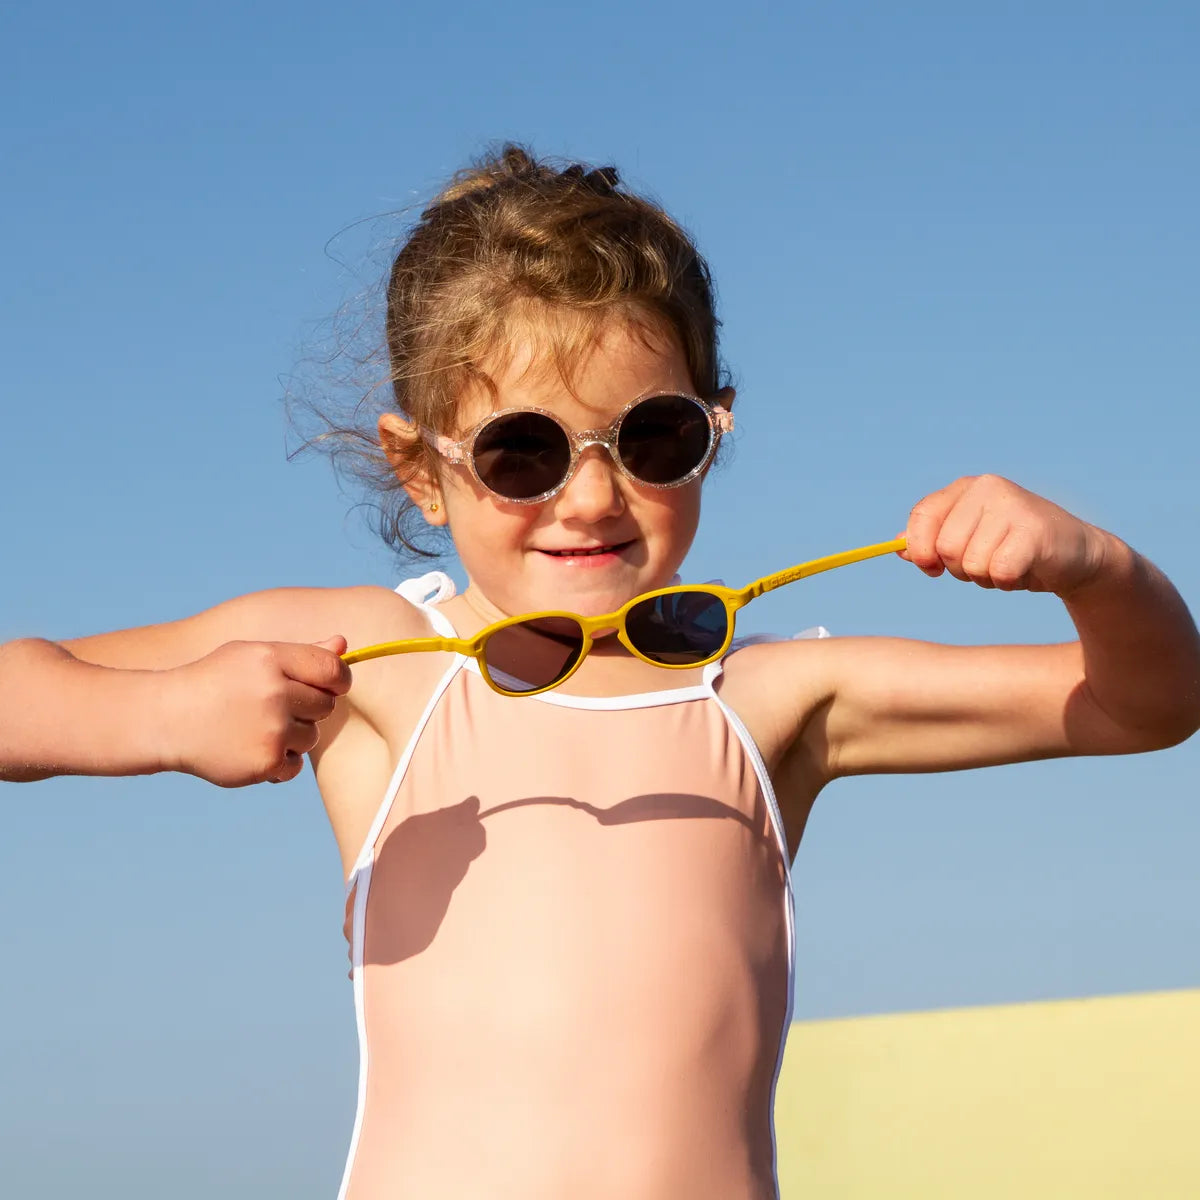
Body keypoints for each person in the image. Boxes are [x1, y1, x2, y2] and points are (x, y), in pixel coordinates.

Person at [1, 145, 1197, 1200]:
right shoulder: (372, 664)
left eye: (650, 439)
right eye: (521, 452)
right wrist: (162, 712)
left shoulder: (779, 701)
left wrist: (1094, 568)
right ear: (421, 470)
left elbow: (1151, 704)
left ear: (714, 426)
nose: (589, 497)